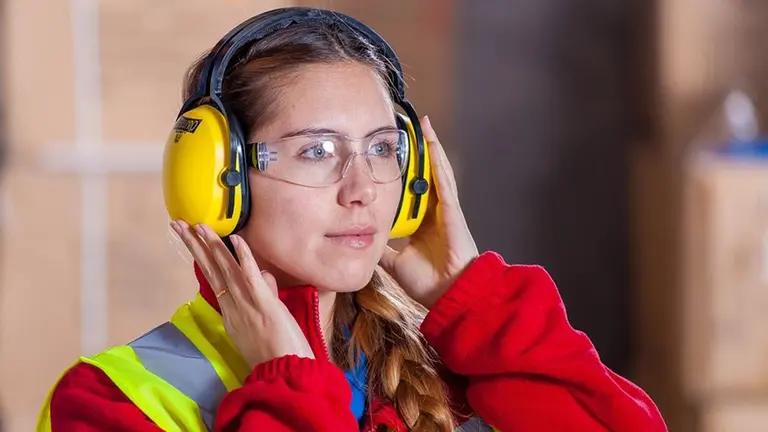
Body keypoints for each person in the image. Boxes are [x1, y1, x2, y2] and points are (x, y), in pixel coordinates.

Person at [36, 7, 667, 432]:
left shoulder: (427, 372)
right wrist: (289, 389)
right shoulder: (109, 403)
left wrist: (474, 301)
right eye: (318, 150)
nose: (363, 188)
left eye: (383, 148)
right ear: (214, 182)